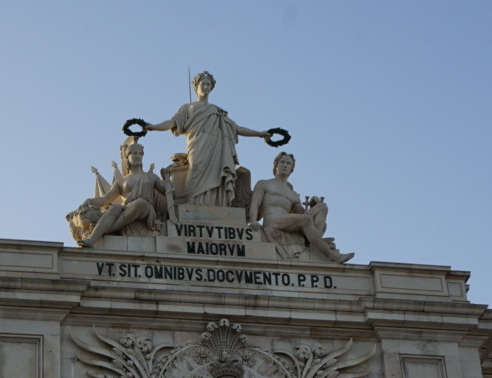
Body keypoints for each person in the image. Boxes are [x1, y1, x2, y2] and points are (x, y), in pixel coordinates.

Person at [142, 72, 271, 206]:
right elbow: (172, 122)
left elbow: (236, 128)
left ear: (211, 87)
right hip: (197, 147)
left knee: (216, 174)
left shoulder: (217, 111)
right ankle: (192, 203)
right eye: (203, 84)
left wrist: (259, 134)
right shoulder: (187, 108)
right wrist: (153, 127)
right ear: (196, 86)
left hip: (215, 149)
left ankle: (215, 205)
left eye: (208, 85)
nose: (205, 87)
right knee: (195, 170)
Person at [248, 152, 353, 263]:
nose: (285, 165)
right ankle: (331, 255)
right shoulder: (264, 184)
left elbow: (302, 214)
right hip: (272, 221)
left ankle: (314, 242)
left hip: (287, 222)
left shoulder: (292, 194)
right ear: (276, 165)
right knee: (305, 220)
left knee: (322, 207)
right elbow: (255, 204)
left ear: (292, 169)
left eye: (288, 163)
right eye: (282, 162)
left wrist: (313, 205)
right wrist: (253, 221)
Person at [77, 138, 170, 244]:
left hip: (146, 209)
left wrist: (167, 180)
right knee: (114, 208)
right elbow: (105, 200)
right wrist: (89, 200)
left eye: (140, 154)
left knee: (140, 202)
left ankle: (108, 230)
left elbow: (168, 193)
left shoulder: (151, 177)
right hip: (128, 208)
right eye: (134, 153)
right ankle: (91, 239)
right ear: (127, 157)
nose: (138, 156)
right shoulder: (121, 182)